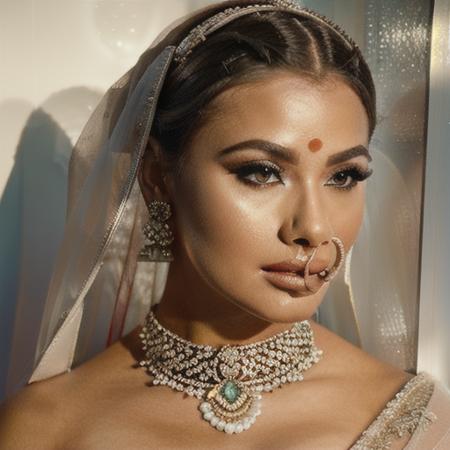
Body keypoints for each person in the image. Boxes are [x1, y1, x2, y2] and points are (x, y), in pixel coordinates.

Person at [1, 0, 449, 448]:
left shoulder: (418, 426)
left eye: (343, 176)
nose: (312, 228)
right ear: (158, 175)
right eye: (261, 172)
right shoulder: (43, 430)